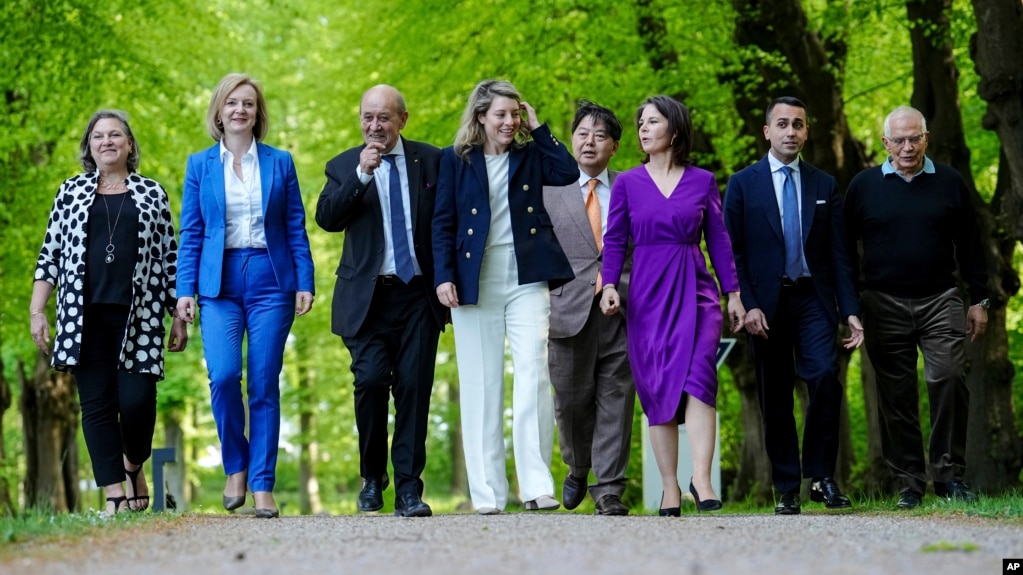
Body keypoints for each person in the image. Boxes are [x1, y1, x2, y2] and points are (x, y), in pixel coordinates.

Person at [30, 109, 188, 515]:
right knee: (96, 405)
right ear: (89, 146)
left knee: (137, 402)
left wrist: (178, 315)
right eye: (98, 136)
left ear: (129, 144)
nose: (107, 142)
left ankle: (132, 464)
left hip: (141, 317)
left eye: (115, 135)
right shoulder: (70, 192)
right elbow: (50, 254)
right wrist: (38, 310)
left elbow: (171, 258)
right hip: (83, 319)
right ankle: (114, 495)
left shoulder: (152, 193)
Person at [433, 79, 578, 514]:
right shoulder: (454, 160)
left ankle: (535, 486)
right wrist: (443, 277)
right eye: (501, 114)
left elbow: (568, 173)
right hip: (474, 281)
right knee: (481, 385)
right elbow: (442, 222)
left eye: (515, 114)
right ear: (480, 117)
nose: (510, 122)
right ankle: (488, 493)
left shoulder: (531, 153)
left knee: (533, 375)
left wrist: (539, 128)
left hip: (527, 278)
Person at [176, 73, 315, 519]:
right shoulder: (200, 165)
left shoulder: (280, 162)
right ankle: (234, 465)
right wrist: (184, 291)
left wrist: (305, 280)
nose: (240, 110)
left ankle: (261, 484)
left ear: (258, 113)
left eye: (249, 104)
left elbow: (295, 225)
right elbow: (192, 232)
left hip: (272, 280)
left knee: (263, 382)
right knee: (222, 375)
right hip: (218, 284)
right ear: (219, 111)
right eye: (232, 103)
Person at [600, 95, 745, 516]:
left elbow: (718, 240)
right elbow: (614, 241)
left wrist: (733, 293)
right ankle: (669, 488)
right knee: (657, 387)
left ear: (675, 130)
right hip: (646, 295)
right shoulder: (627, 182)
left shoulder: (702, 180)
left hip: (697, 291)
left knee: (700, 378)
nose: (643, 129)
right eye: (640, 123)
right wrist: (609, 285)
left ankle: (701, 478)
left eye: (652, 122)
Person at [723, 97, 863, 515]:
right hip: (763, 305)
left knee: (824, 377)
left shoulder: (824, 185)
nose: (791, 132)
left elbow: (840, 254)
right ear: (767, 131)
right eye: (782, 124)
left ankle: (821, 476)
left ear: (806, 131)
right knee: (775, 395)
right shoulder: (742, 184)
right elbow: (733, 253)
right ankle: (786, 487)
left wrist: (850, 310)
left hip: (812, 298)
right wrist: (746, 304)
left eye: (798, 125)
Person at [844, 105, 988, 510]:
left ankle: (948, 477)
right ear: (885, 143)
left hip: (941, 298)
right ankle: (908, 482)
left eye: (915, 138)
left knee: (947, 378)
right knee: (896, 394)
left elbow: (973, 246)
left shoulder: (950, 183)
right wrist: (850, 303)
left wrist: (979, 299)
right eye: (899, 140)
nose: (907, 147)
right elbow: (842, 249)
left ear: (927, 138)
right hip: (882, 301)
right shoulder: (863, 186)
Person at [315, 85, 445, 518]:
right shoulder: (342, 165)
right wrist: (362, 174)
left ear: (402, 120)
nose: (375, 126)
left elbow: (447, 222)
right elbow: (328, 218)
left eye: (384, 118)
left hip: (418, 295)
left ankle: (409, 489)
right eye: (368, 117)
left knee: (414, 389)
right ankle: (373, 477)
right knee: (370, 382)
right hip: (366, 298)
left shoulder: (432, 160)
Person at [543, 101, 634, 516]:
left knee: (617, 397)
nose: (589, 141)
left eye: (600, 135)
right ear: (573, 139)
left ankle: (609, 488)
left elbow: (645, 252)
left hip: (623, 311)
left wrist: (622, 285)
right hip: (566, 311)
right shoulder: (550, 195)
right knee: (571, 401)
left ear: (614, 146)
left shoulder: (634, 189)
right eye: (582, 133)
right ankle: (578, 466)